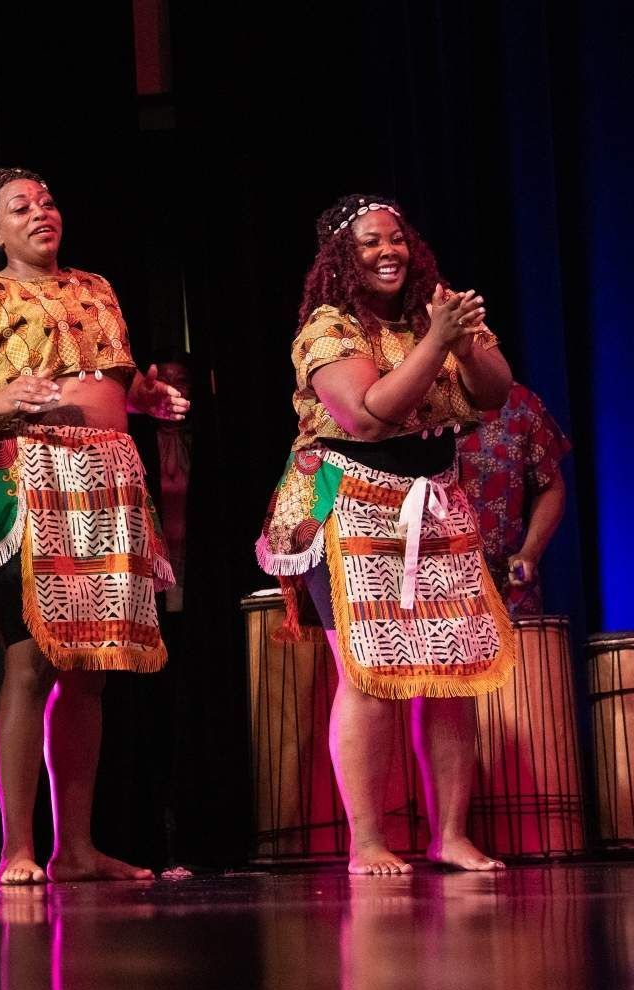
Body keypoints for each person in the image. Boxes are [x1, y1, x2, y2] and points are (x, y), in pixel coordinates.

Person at [0, 167, 188, 883]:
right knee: (31, 663)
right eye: (20, 207)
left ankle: (78, 847)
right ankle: (18, 849)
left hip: (108, 482)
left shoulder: (97, 288)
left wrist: (148, 399)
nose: (41, 213)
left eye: (48, 200)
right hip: (28, 480)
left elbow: (112, 385)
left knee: (91, 672)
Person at [256, 194, 515, 875]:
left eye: (396, 238)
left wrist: (461, 342)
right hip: (348, 499)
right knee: (368, 675)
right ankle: (366, 840)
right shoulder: (327, 329)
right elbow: (368, 418)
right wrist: (438, 343)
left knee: (454, 676)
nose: (388, 251)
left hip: (433, 498)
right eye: (370, 243)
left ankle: (450, 835)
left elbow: (494, 392)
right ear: (344, 258)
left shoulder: (437, 312)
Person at [457, 382, 571, 615]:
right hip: (430, 589)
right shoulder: (410, 402)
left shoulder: (519, 403)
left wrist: (530, 552)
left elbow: (550, 487)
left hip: (508, 589)